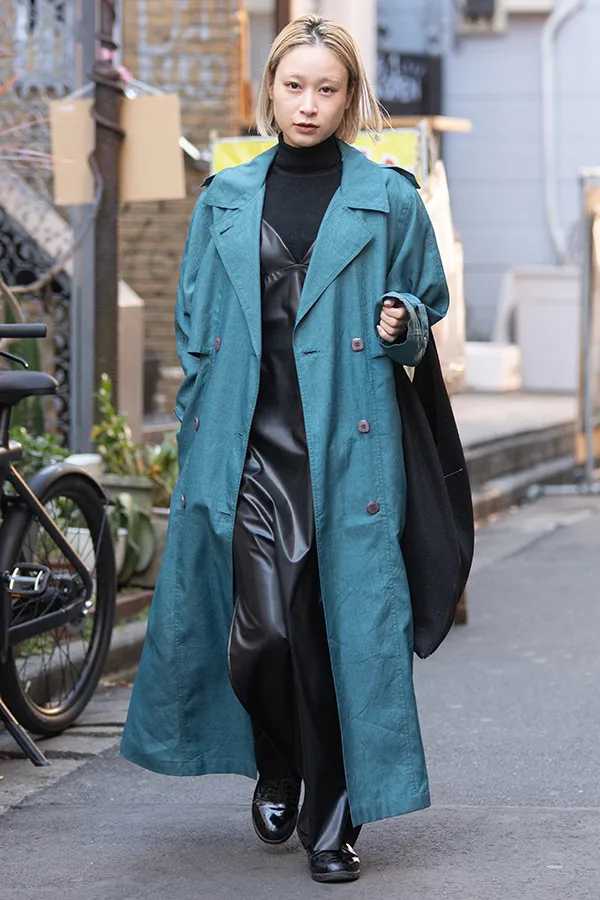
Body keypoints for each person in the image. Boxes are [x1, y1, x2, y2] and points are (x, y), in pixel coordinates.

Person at [121, 14, 449, 885]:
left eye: (326, 89)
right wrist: (195, 433)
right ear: (268, 90)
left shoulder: (390, 198)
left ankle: (332, 825)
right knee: (262, 636)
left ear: (350, 98)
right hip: (248, 448)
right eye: (294, 86)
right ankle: (279, 758)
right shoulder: (225, 198)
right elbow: (193, 325)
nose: (309, 104)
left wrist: (405, 322)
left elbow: (427, 299)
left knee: (336, 637)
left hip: (347, 449)